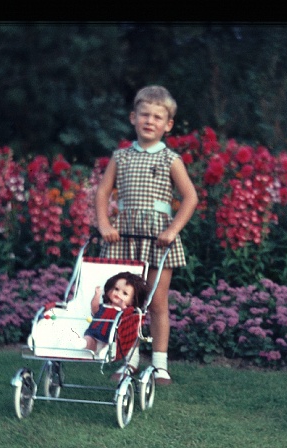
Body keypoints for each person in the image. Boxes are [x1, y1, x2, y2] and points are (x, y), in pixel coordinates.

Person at [95, 85, 198, 385]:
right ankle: (129, 359)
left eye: (157, 117)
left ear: (168, 125)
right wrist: (105, 226)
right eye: (144, 115)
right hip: (125, 236)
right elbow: (103, 193)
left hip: (157, 239)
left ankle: (160, 364)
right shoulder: (121, 157)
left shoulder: (170, 159)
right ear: (133, 118)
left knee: (156, 301)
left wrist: (172, 230)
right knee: (127, 301)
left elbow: (190, 198)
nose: (149, 121)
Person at [83, 271, 149, 354]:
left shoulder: (125, 312)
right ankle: (84, 343)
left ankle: (106, 351)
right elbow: (94, 309)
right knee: (88, 339)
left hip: (111, 336)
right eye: (116, 289)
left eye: (125, 293)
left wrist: (123, 308)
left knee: (112, 344)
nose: (118, 293)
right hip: (94, 333)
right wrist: (97, 295)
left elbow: (127, 321)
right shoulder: (104, 306)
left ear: (132, 301)